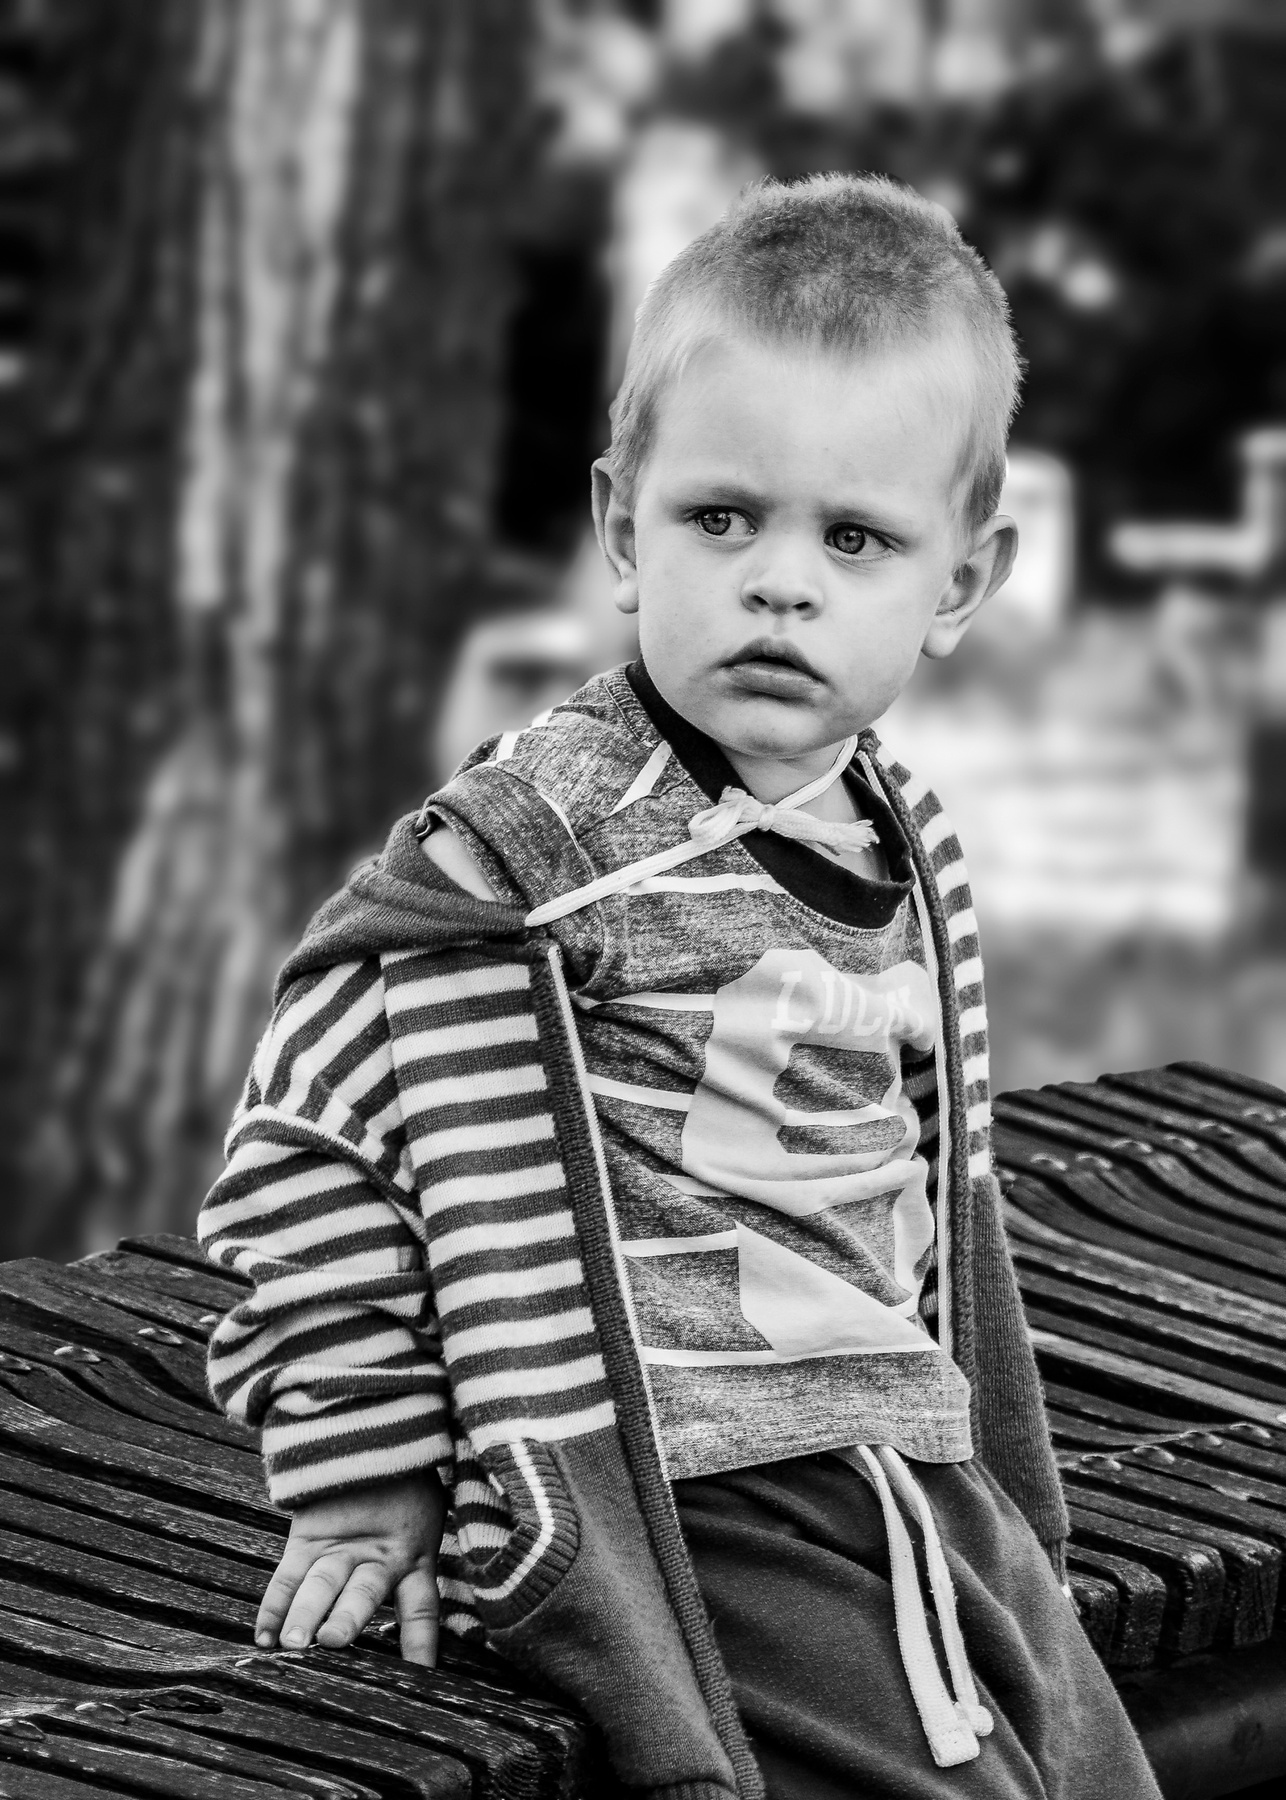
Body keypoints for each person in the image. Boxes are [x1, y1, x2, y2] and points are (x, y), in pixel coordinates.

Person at [198, 175, 1162, 1800]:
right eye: (722, 519)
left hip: (903, 1454)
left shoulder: (899, 835)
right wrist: (364, 1473)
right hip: (691, 1481)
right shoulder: (540, 847)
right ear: (619, 528)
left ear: (958, 582)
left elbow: (940, 1192)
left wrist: (986, 1459)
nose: (781, 583)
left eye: (854, 539)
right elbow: (312, 1132)